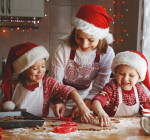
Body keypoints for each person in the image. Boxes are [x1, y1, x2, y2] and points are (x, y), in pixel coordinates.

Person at [0, 42, 94, 123]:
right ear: (23, 70)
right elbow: (4, 108)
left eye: (43, 66)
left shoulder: (47, 83)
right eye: (35, 68)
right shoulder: (13, 85)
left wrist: (82, 106)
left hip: (39, 126)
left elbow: (69, 91)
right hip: (18, 126)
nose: (41, 71)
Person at [49, 4, 115, 118]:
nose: (84, 45)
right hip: (59, 97)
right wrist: (58, 101)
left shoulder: (107, 54)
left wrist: (85, 104)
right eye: (79, 37)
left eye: (90, 40)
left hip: (87, 97)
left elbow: (99, 87)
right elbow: (56, 82)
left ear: (100, 38)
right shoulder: (62, 49)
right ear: (75, 32)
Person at [92, 51, 150, 127]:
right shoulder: (112, 88)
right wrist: (101, 112)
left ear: (139, 78)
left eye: (131, 75)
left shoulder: (140, 91)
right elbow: (96, 102)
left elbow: (146, 110)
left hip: (130, 128)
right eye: (121, 74)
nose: (125, 79)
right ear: (115, 72)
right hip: (109, 127)